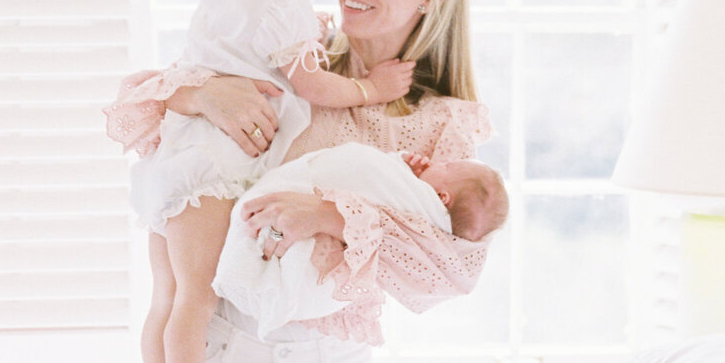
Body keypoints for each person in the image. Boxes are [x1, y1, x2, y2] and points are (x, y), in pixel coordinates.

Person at [107, 0, 493, 363]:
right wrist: (200, 95)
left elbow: (446, 270)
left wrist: (332, 217)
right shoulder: (292, 53)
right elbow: (135, 108)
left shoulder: (442, 123)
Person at [128, 0, 415, 363]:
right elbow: (312, 88)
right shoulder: (282, 12)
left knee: (168, 298)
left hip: (174, 164)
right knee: (196, 301)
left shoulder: (220, 0)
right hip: (215, 170)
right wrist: (372, 90)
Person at [214, 142, 508, 342]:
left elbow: (366, 170)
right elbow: (375, 172)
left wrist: (333, 216)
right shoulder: (423, 188)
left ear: (442, 198)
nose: (437, 161)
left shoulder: (433, 226)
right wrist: (405, 166)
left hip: (322, 333)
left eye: (445, 167)